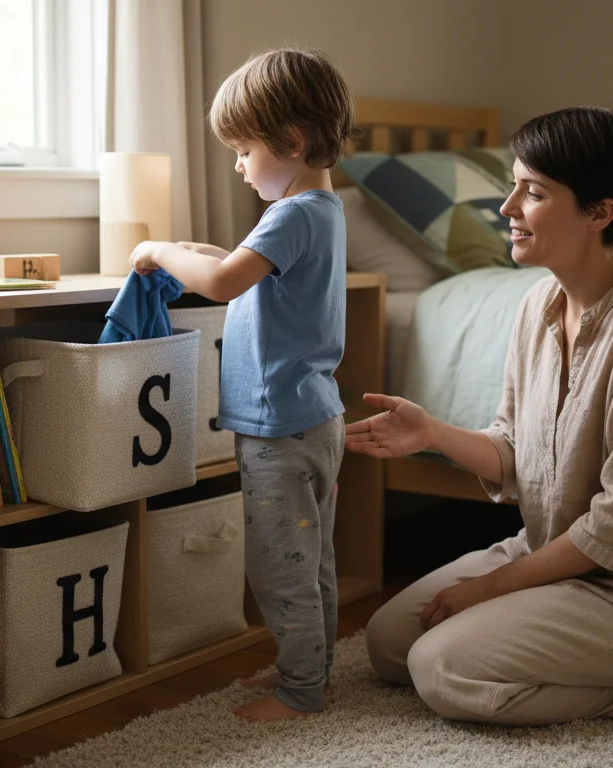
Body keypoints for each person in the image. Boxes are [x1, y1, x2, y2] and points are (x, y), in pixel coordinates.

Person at [346, 106, 613, 726]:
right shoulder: (538, 303)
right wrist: (432, 433)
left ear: (599, 213)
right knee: (391, 642)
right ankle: (566, 645)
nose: (506, 208)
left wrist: (486, 590)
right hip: (553, 555)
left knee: (442, 668)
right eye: (512, 185)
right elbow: (513, 447)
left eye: (532, 192)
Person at [128, 47, 353, 723]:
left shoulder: (290, 215)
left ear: (293, 141)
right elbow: (238, 269)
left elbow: (226, 283)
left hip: (277, 428)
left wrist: (157, 251)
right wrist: (195, 253)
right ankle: (317, 669)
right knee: (312, 558)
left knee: (281, 568)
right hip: (316, 418)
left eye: (243, 148)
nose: (237, 164)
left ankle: (299, 692)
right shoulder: (324, 210)